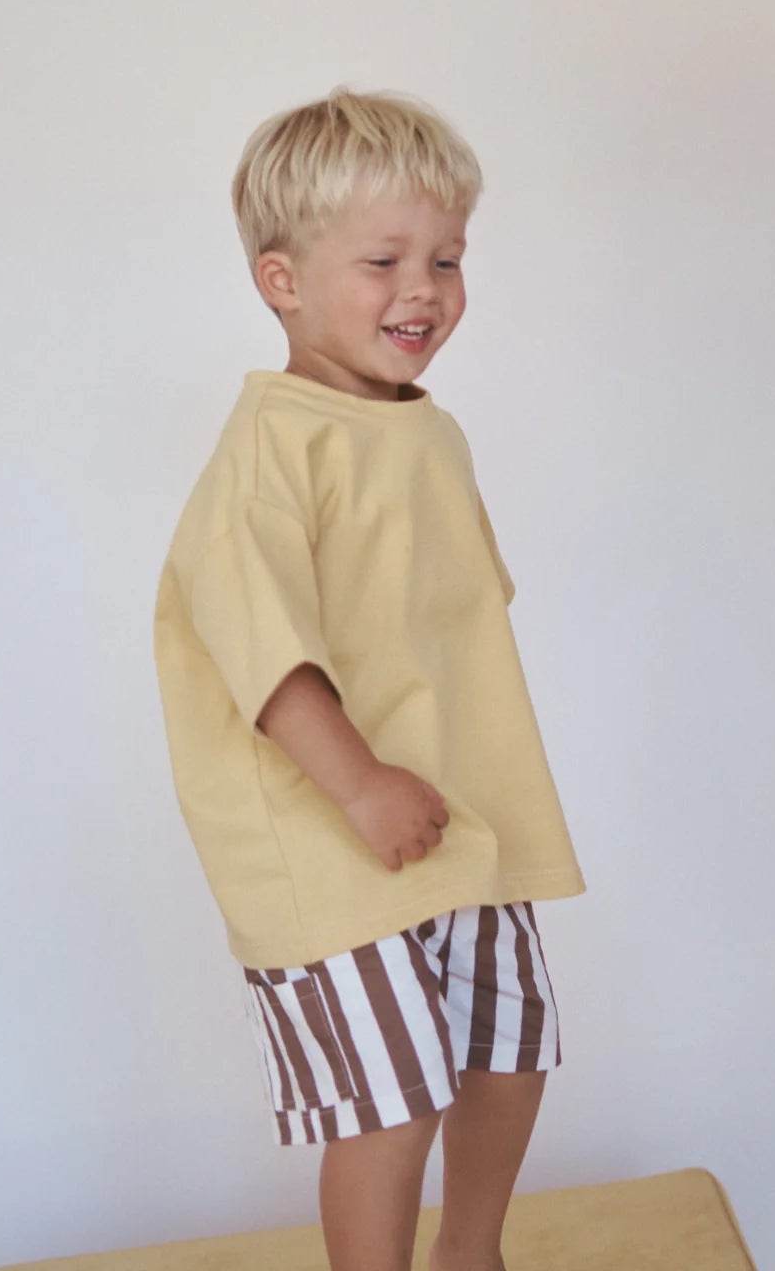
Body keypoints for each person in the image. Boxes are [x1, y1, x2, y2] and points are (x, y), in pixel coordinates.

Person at [153, 86, 586, 1271]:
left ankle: (474, 1252)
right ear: (282, 281)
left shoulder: (429, 432)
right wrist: (358, 787)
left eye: (446, 259)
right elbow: (262, 648)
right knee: (391, 1099)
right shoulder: (269, 450)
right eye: (384, 259)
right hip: (331, 827)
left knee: (508, 1048)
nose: (424, 290)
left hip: (462, 810)